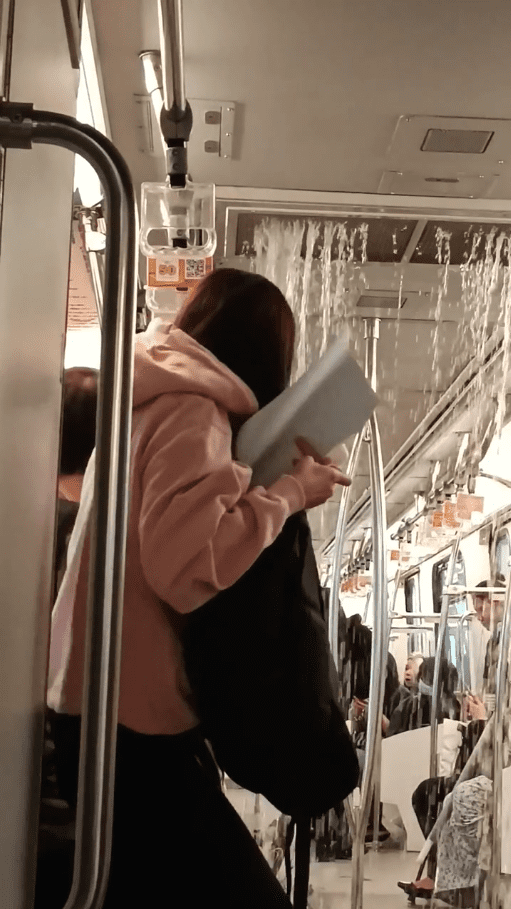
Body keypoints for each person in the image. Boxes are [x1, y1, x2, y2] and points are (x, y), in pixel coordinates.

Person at [43, 268, 351, 909]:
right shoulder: (195, 412)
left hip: (100, 700)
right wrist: (291, 493)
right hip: (132, 719)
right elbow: (184, 567)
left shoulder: (145, 398)